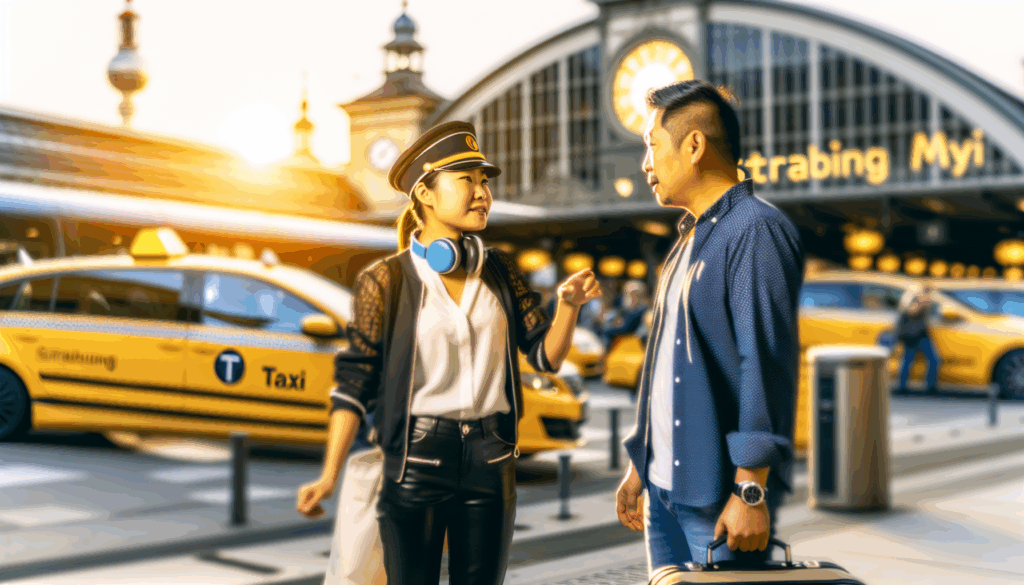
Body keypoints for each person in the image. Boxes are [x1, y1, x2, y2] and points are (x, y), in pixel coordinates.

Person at [296, 120, 601, 585]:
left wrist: (567, 306)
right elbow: (355, 383)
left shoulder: (497, 269)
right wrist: (328, 475)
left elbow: (545, 357)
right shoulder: (387, 281)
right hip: (416, 460)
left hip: (491, 459)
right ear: (426, 194)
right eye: (466, 180)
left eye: (484, 182)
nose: (482, 192)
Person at [614, 80, 805, 574]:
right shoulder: (688, 239)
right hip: (665, 489)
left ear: (694, 146)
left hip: (717, 502)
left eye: (652, 146)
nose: (646, 164)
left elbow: (762, 362)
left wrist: (751, 489)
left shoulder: (753, 230)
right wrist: (641, 464)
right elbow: (667, 367)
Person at [894, 285, 940, 394]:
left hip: (921, 334)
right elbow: (910, 311)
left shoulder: (926, 303)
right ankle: (902, 386)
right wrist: (922, 303)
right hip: (912, 335)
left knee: (933, 359)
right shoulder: (913, 298)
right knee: (908, 360)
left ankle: (930, 385)